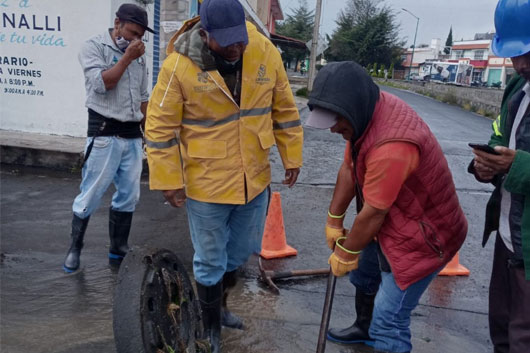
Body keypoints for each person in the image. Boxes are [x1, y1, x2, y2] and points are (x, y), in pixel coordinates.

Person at [144, 0, 303, 351]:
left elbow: (285, 108)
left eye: (240, 39)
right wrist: (168, 178)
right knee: (211, 259)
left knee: (241, 251)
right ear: (204, 34)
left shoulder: (263, 51)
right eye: (227, 42)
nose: (236, 47)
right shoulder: (178, 67)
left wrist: (292, 155)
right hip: (207, 182)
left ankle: (222, 306)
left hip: (254, 178)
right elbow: (159, 126)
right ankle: (210, 328)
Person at [305, 61, 468, 353]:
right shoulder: (364, 115)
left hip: (424, 237)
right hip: (394, 217)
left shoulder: (391, 145)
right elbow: (348, 168)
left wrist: (345, 252)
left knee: (389, 318)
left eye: (336, 122)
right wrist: (334, 218)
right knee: (364, 275)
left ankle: (380, 333)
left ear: (351, 110)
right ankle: (362, 328)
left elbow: (374, 213)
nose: (333, 130)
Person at [62, 3, 154, 273]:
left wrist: (148, 131)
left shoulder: (140, 56)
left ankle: (118, 247)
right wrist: (125, 58)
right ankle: (74, 248)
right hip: (104, 133)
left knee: (129, 195)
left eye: (140, 36)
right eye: (132, 32)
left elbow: (143, 97)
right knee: (90, 194)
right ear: (117, 24)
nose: (136, 40)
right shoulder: (94, 47)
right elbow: (103, 84)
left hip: (132, 136)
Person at [468, 0, 530, 351]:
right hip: (508, 238)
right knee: (502, 331)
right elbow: (500, 135)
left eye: (529, 52)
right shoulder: (516, 90)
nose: (520, 64)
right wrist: (487, 163)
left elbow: (516, 159)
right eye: (514, 54)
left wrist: (514, 165)